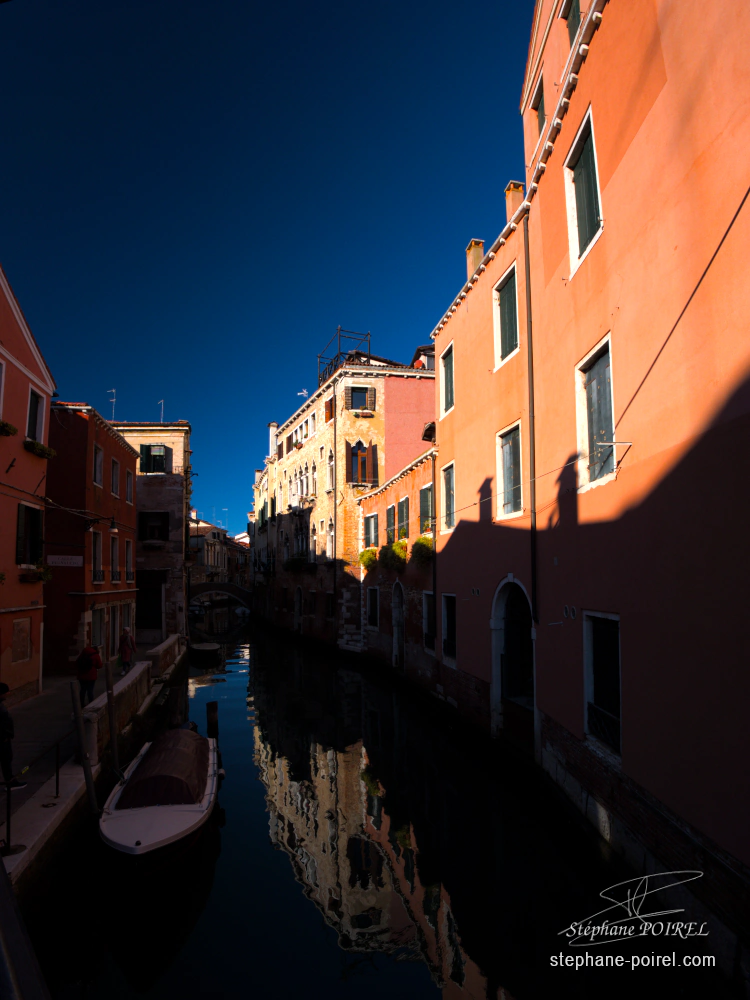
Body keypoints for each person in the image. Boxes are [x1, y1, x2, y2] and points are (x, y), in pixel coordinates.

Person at [0, 682, 27, 790]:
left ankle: (10, 780)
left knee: (7, 760)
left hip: (5, 737)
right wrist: (4, 736)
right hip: (3, 739)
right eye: (6, 692)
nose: (8, 694)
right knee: (6, 760)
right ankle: (10, 782)